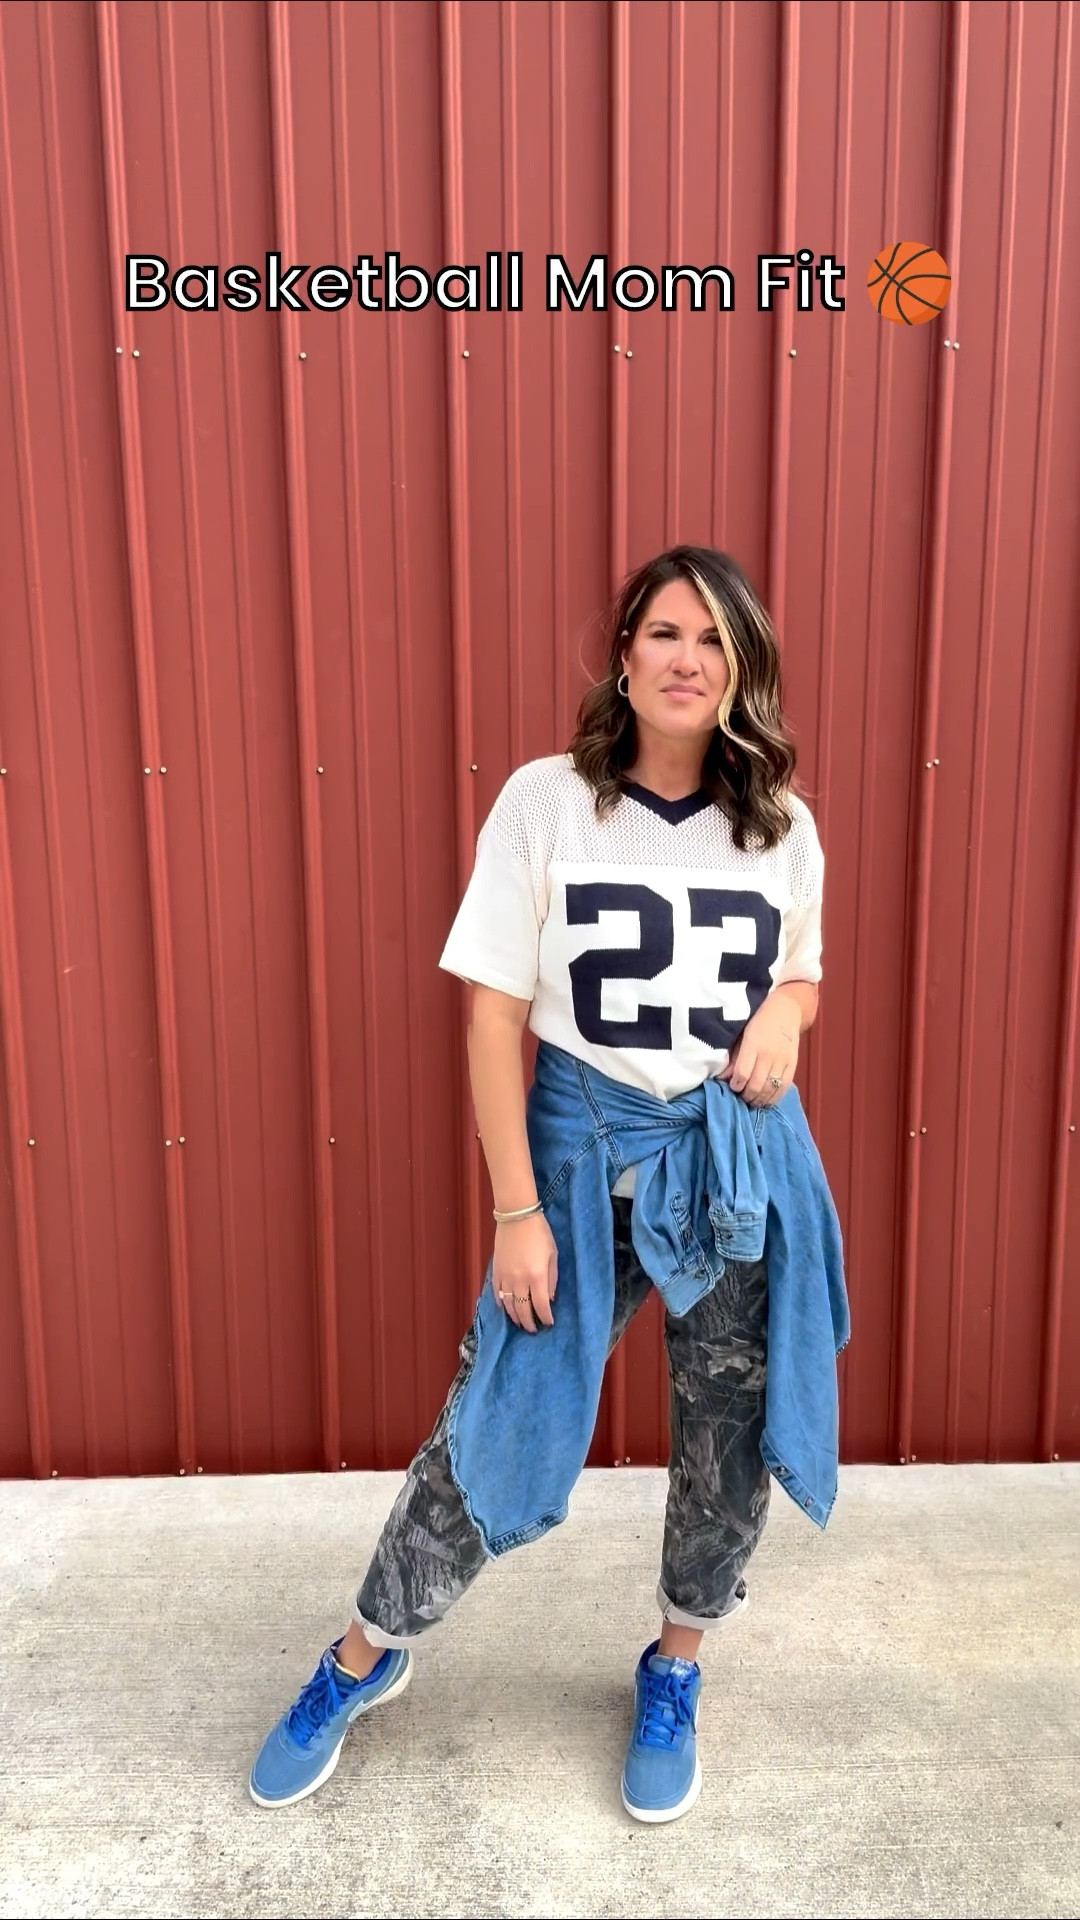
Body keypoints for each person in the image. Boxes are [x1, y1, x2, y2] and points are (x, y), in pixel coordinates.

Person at [249, 544, 849, 1824]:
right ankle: (367, 1650)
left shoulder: (781, 823)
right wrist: (517, 1211)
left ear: (743, 667)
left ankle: (676, 1661)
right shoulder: (545, 803)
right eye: (664, 633)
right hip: (581, 1158)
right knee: (492, 1419)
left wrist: (791, 1010)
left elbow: (798, 966)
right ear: (623, 652)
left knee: (724, 1438)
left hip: (735, 1164)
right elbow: (490, 1018)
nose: (687, 660)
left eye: (713, 640)